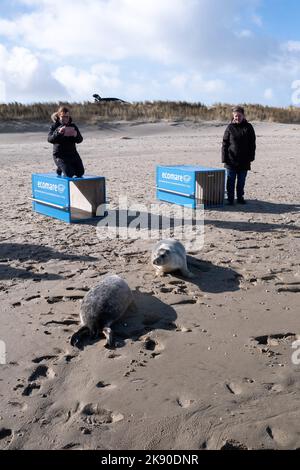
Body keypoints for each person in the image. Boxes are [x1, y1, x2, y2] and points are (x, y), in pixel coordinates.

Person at [222, 106, 256, 205]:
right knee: (230, 181)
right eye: (236, 116)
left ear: (243, 115)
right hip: (231, 160)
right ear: (233, 116)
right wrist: (224, 158)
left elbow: (252, 143)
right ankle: (230, 199)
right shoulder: (230, 127)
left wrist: (251, 157)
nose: (238, 118)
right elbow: (225, 143)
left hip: (244, 160)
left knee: (241, 181)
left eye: (239, 116)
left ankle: (240, 197)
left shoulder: (249, 127)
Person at [48, 106, 85, 177]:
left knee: (80, 173)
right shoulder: (54, 126)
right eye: (63, 116)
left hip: (73, 154)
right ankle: (60, 168)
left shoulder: (73, 126)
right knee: (69, 174)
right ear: (59, 116)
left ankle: (63, 167)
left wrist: (76, 135)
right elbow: (50, 139)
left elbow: (80, 140)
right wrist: (58, 133)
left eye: (67, 117)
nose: (65, 119)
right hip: (60, 155)